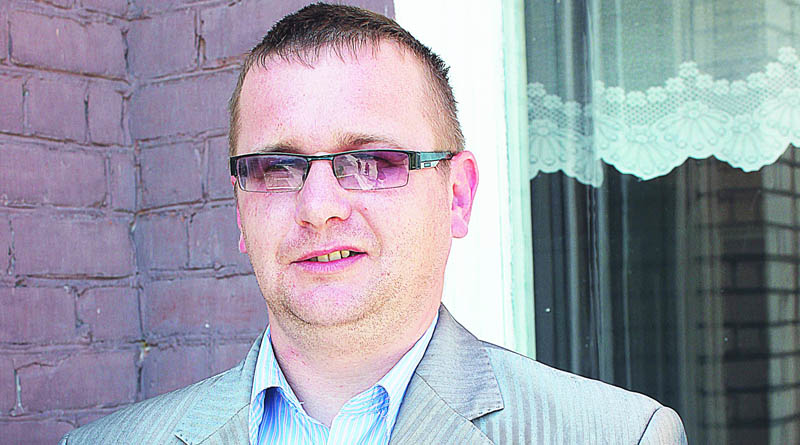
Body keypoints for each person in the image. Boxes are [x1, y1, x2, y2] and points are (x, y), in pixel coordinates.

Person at [60, 3, 687, 444]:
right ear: (240, 211)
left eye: (372, 162)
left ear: (457, 196)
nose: (319, 206)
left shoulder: (614, 436)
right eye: (277, 167)